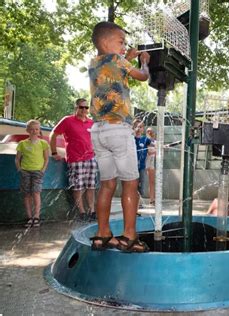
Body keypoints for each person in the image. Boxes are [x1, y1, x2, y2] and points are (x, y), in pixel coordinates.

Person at [88, 21, 150, 252]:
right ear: (105, 42)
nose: (125, 47)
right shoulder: (118, 61)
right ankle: (129, 236)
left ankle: (102, 233)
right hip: (118, 130)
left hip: (99, 131)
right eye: (121, 42)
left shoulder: (95, 63)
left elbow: (116, 70)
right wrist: (143, 62)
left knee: (107, 184)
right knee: (130, 184)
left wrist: (128, 57)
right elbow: (142, 77)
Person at [50, 98, 98, 221]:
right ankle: (81, 212)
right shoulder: (67, 120)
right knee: (77, 187)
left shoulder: (91, 122)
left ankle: (92, 211)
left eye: (86, 107)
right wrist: (54, 152)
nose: (84, 110)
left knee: (91, 186)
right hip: (75, 159)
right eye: (81, 107)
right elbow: (53, 135)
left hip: (90, 158)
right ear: (76, 108)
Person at [15, 120, 49, 228]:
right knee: (27, 194)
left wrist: (43, 170)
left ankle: (37, 217)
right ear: (27, 130)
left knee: (36, 193)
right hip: (25, 171)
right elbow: (17, 159)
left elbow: (46, 159)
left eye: (37, 129)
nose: (34, 131)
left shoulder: (43, 143)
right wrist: (19, 169)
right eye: (32, 129)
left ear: (39, 130)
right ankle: (29, 217)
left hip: (37, 172)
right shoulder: (22, 143)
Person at [132, 118, 151, 207]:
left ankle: (138, 203)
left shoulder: (145, 139)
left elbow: (152, 147)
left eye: (140, 127)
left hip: (142, 167)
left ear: (143, 129)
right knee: (133, 186)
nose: (138, 129)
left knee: (141, 187)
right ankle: (134, 204)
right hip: (132, 167)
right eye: (136, 127)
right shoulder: (131, 138)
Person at [145, 127, 156, 205]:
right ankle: (139, 202)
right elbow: (148, 152)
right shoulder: (145, 140)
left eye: (151, 131)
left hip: (153, 162)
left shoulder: (156, 142)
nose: (149, 132)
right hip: (146, 162)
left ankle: (152, 200)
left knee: (152, 182)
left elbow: (158, 152)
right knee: (140, 181)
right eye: (148, 131)